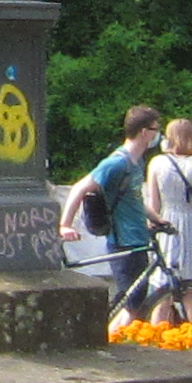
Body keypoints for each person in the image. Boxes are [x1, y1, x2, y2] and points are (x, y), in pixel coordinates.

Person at [60, 105, 164, 314]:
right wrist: (65, 225)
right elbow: (80, 188)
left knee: (135, 302)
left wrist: (157, 219)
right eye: (156, 129)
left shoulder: (136, 162)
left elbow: (133, 197)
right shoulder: (116, 163)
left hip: (137, 238)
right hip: (123, 241)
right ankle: (113, 337)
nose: (158, 135)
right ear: (144, 132)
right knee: (131, 306)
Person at [147, 118, 192, 314]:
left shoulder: (156, 163)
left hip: (166, 222)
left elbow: (153, 204)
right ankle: (191, 336)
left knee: (162, 292)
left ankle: (153, 338)